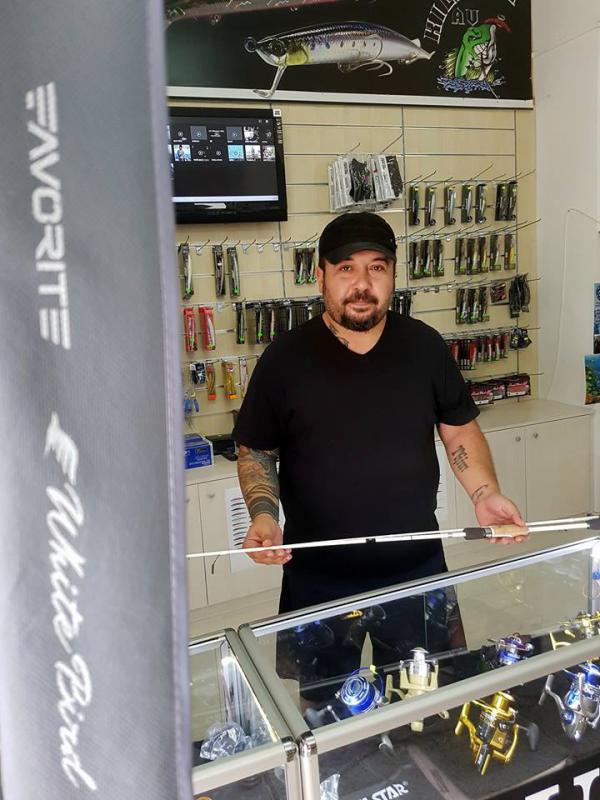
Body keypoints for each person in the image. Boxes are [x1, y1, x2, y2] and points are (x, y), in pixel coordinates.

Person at [232, 211, 526, 700]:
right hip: (319, 578)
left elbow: (458, 429)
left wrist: (484, 492)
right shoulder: (284, 358)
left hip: (416, 569)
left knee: (424, 704)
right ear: (321, 276)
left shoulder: (424, 347)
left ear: (392, 275)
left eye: (377, 267)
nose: (362, 284)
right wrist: (264, 515)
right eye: (346, 268)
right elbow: (256, 448)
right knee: (325, 711)